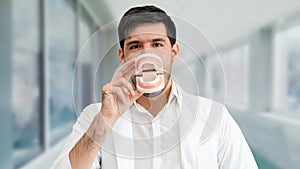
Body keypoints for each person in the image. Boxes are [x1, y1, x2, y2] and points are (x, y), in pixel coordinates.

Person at [52, 5, 258, 169]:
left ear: (174, 52)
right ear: (122, 56)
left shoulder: (214, 117)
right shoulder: (95, 117)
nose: (146, 55)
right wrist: (106, 120)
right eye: (135, 46)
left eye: (157, 44)